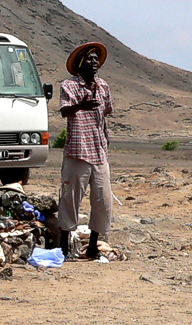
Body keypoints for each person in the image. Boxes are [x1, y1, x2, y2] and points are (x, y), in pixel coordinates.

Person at [58, 42, 114, 260]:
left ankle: (93, 246)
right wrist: (80, 105)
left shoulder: (103, 86)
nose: (94, 63)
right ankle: (63, 248)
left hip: (99, 151)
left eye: (96, 59)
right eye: (89, 59)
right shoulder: (69, 86)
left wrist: (105, 143)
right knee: (70, 199)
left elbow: (105, 117)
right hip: (78, 151)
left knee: (102, 201)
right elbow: (64, 111)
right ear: (80, 63)